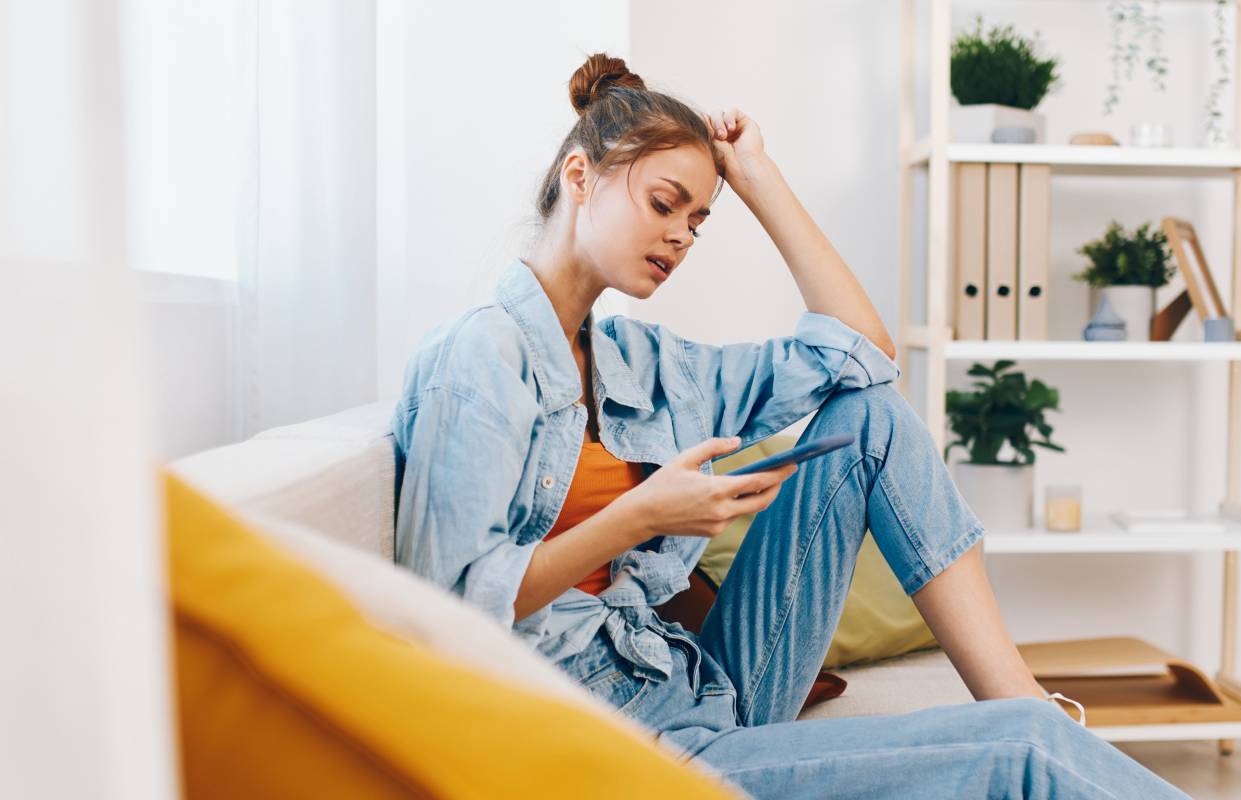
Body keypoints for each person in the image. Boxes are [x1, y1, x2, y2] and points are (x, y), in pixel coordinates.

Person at [392, 52, 1186, 799]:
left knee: (868, 415)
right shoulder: (482, 357)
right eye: (665, 203)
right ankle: (1030, 720)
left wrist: (760, 179)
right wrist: (640, 516)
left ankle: (1018, 694)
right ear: (580, 176)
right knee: (1020, 750)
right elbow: (451, 610)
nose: (682, 236)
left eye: (700, 221)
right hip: (626, 746)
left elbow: (864, 355)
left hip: (699, 686)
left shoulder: (638, 360)